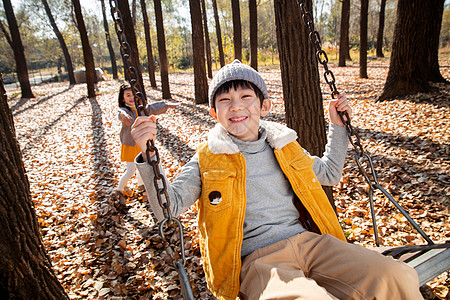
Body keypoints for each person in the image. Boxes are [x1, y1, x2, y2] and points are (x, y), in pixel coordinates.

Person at [131, 60, 422, 300]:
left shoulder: (284, 145)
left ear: (264, 106)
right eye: (225, 101)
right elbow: (168, 209)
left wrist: (338, 127)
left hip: (313, 245)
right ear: (214, 114)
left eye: (246, 97)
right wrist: (147, 155)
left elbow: (330, 173)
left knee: (396, 276)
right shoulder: (208, 159)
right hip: (260, 261)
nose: (236, 106)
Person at [116, 83, 178, 195]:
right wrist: (124, 117)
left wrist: (167, 105)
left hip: (141, 144)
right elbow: (121, 113)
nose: (131, 98)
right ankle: (118, 190)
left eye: (133, 95)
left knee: (142, 166)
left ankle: (142, 187)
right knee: (130, 171)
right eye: (128, 95)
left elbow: (153, 108)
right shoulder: (125, 110)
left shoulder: (141, 109)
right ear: (123, 98)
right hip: (130, 145)